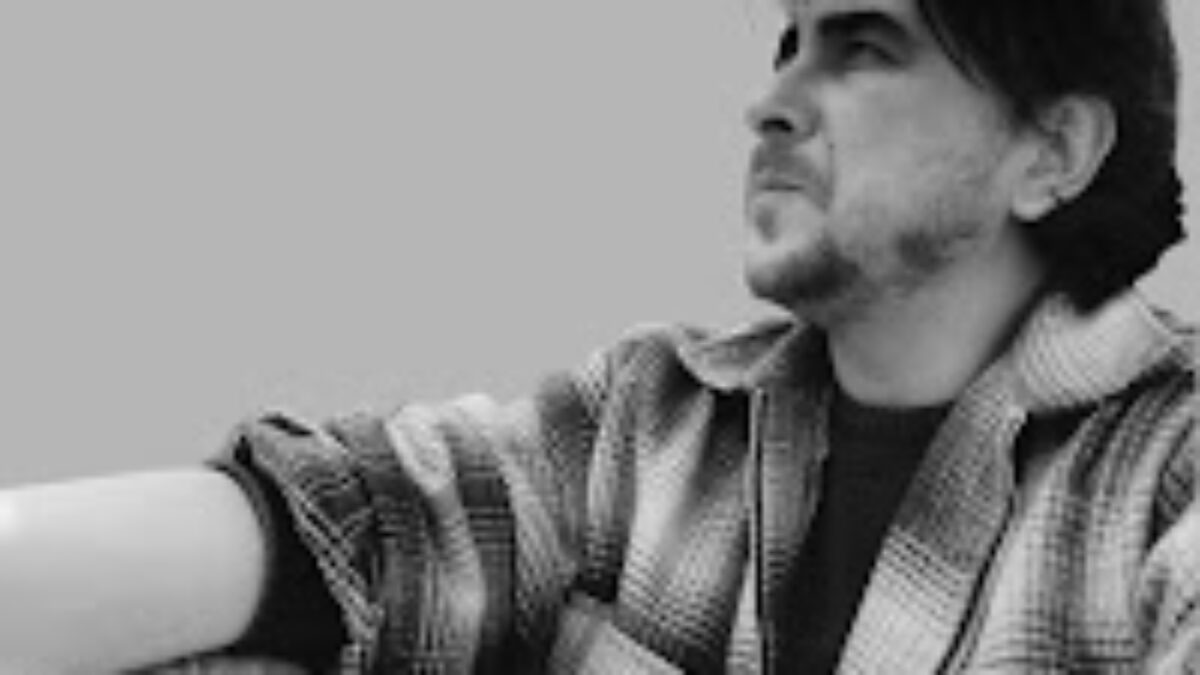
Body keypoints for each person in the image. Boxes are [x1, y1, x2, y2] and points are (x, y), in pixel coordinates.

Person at [0, 0, 1193, 671]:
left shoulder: (1170, 474)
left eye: (864, 48)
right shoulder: (652, 422)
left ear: (1053, 153)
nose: (770, 102)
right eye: (787, 43)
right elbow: (358, 525)